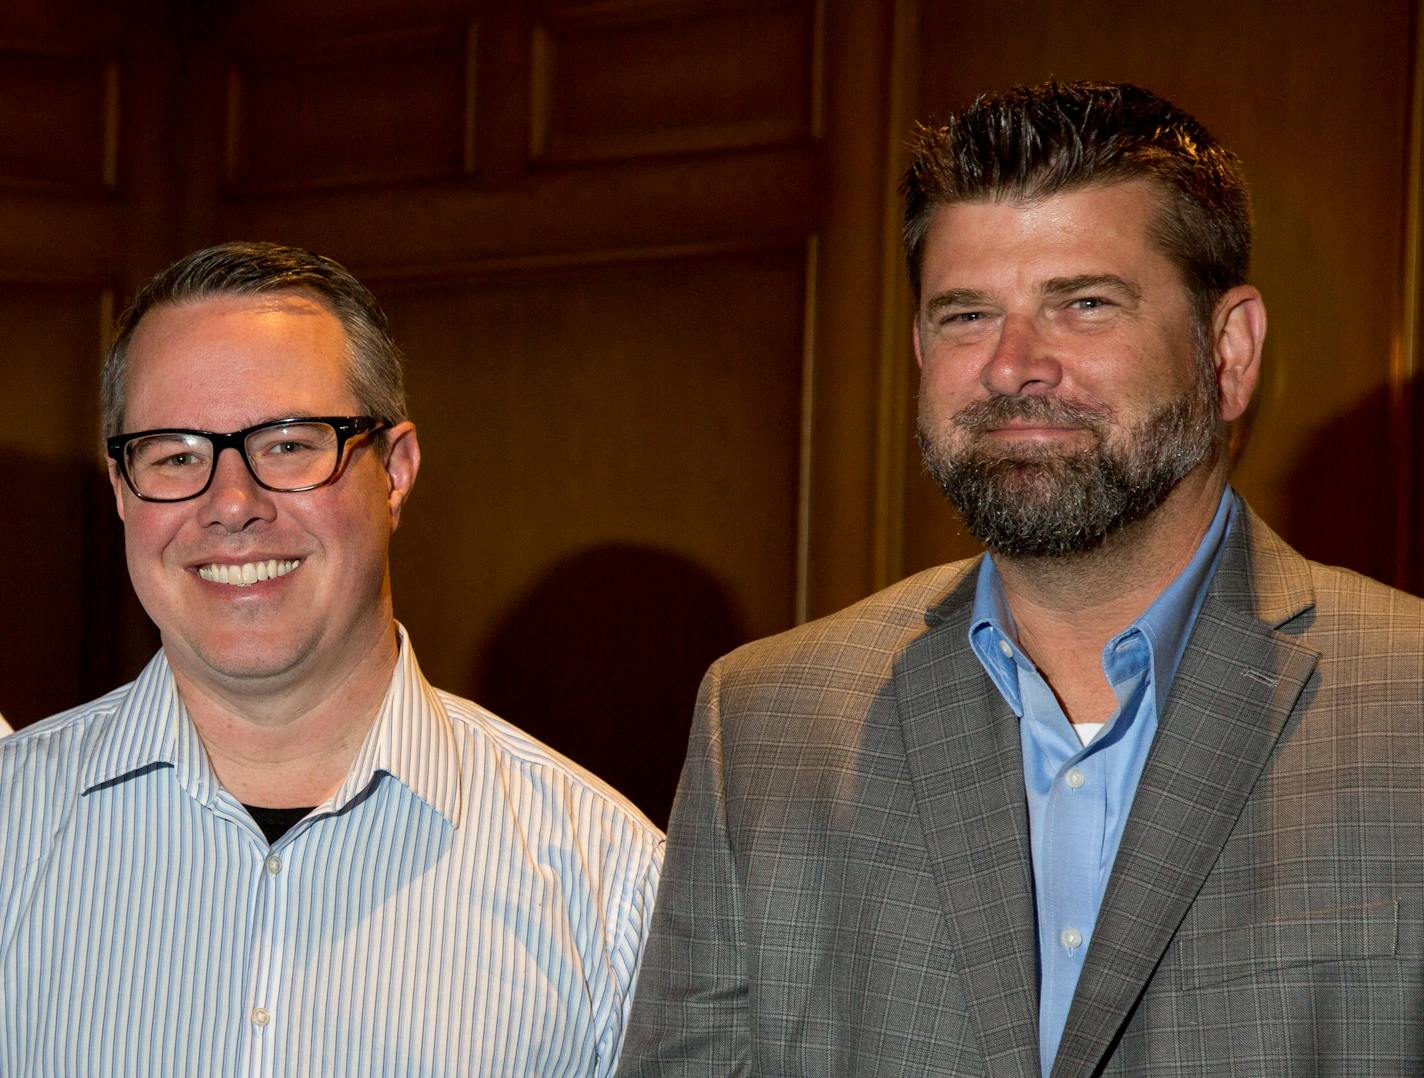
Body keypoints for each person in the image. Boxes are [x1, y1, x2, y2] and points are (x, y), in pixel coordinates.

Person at [618, 81, 1423, 1076]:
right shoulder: (764, 723)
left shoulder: (1407, 702)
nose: (1010, 367)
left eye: (1081, 303)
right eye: (964, 316)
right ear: (917, 350)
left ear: (1228, 350)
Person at [0, 242, 664, 1075]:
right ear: (120, 491)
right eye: (174, 455)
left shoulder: (609, 885)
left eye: (288, 444)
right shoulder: (11, 826)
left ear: (395, 472)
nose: (232, 505)